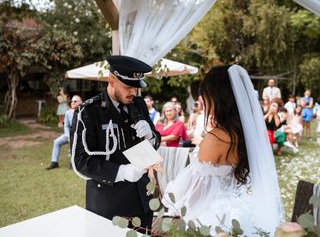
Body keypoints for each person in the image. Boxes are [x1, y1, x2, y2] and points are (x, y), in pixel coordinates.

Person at [162, 65, 283, 235]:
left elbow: (193, 195)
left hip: (211, 217)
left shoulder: (215, 138)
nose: (203, 100)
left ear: (218, 97)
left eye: (206, 95)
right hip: (240, 211)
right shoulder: (245, 134)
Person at [70, 55, 161, 232]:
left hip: (142, 199)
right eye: (128, 86)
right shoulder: (89, 111)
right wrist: (121, 171)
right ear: (111, 81)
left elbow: (156, 140)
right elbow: (80, 161)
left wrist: (151, 137)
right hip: (110, 204)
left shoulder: (139, 105)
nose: (133, 92)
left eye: (136, 87)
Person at [46, 95, 82, 170]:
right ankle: (54, 162)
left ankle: (73, 163)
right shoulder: (68, 113)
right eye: (72, 101)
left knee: (74, 143)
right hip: (69, 135)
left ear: (80, 102)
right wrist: (67, 135)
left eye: (75, 101)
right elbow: (66, 126)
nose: (72, 103)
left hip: (80, 136)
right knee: (56, 142)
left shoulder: (84, 112)